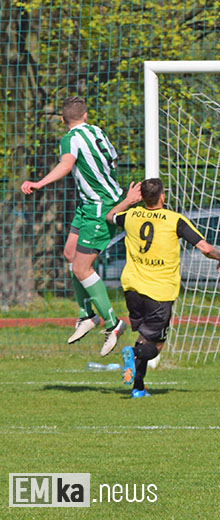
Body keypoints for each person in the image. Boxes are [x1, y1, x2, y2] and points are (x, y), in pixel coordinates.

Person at [106, 178, 220, 398]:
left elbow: (109, 216)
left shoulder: (132, 216)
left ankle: (138, 388)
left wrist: (128, 201)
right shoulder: (174, 220)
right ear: (162, 196)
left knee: (144, 337)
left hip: (132, 288)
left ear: (142, 197)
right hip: (160, 292)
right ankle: (132, 353)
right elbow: (204, 248)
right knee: (154, 347)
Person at [21, 96, 127, 355]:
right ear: (86, 115)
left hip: (99, 207)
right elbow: (112, 160)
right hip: (88, 204)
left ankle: (113, 323)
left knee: (82, 267)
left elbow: (67, 164)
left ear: (62, 120)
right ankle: (87, 316)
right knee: (70, 253)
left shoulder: (69, 139)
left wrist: (39, 183)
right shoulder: (97, 131)